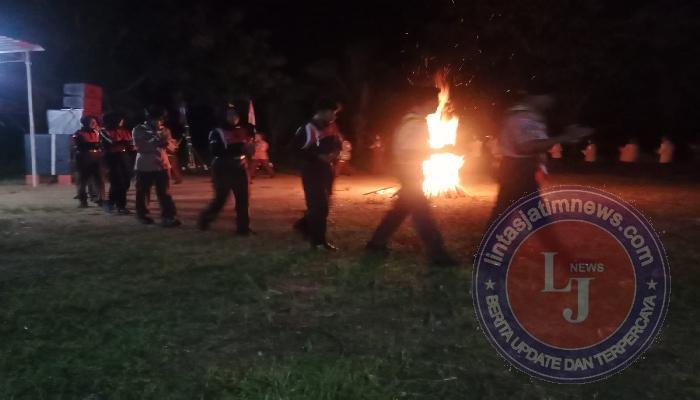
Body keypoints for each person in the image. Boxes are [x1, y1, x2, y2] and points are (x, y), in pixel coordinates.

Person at [365, 87, 457, 266]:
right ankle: (438, 254)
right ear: (426, 102)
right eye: (435, 101)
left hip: (408, 171)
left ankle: (376, 243)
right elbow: (409, 151)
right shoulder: (414, 123)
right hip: (409, 173)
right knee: (423, 215)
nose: (438, 105)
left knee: (400, 211)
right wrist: (441, 150)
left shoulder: (412, 121)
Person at [490, 92, 592, 221]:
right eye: (548, 96)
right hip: (517, 169)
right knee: (528, 214)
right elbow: (526, 147)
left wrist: (541, 164)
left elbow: (538, 145)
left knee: (512, 212)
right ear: (536, 96)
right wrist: (565, 137)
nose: (550, 102)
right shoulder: (521, 117)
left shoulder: (533, 117)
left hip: (523, 168)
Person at [292, 98, 343, 251]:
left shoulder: (331, 126)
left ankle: (304, 226)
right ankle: (318, 242)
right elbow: (296, 150)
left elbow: (338, 143)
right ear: (322, 112)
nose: (334, 116)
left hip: (327, 170)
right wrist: (317, 157)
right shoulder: (307, 128)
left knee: (324, 205)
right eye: (333, 113)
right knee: (318, 206)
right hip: (312, 170)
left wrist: (335, 153)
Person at [198, 106, 255, 235]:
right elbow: (216, 151)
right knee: (221, 198)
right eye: (230, 115)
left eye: (236, 115)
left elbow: (247, 149)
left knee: (243, 198)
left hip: (240, 166)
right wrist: (240, 148)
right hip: (223, 167)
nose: (233, 118)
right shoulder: (217, 132)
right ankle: (205, 219)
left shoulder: (242, 130)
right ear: (224, 116)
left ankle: (243, 228)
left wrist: (250, 149)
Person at [132, 105, 180, 227]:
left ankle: (168, 216)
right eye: (157, 119)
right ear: (149, 119)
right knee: (143, 191)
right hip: (145, 165)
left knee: (164, 192)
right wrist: (159, 143)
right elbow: (140, 146)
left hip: (162, 165)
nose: (159, 121)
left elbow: (170, 146)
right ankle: (142, 214)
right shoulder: (139, 129)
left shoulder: (165, 130)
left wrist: (171, 145)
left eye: (161, 119)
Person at [101, 112, 135, 214]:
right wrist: (124, 143)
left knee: (126, 181)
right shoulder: (105, 131)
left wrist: (130, 146)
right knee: (117, 181)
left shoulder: (125, 131)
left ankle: (112, 202)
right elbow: (112, 143)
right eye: (120, 119)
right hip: (112, 158)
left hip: (125, 157)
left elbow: (131, 144)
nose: (122, 121)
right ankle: (120, 206)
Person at [72, 115, 105, 208]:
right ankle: (83, 201)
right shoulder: (79, 133)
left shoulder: (97, 133)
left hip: (96, 159)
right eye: (92, 122)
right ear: (86, 123)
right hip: (84, 159)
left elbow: (101, 144)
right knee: (82, 181)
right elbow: (78, 145)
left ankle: (99, 199)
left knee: (98, 180)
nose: (95, 124)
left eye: (95, 122)